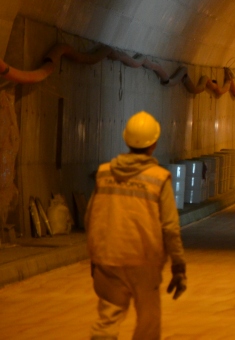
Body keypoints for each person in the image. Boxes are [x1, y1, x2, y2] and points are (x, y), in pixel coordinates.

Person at [86, 111, 187, 339]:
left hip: (109, 258)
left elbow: (91, 217)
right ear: (154, 144)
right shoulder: (159, 178)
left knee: (107, 319)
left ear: (126, 140)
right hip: (144, 261)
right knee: (148, 322)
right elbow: (170, 228)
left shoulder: (104, 173)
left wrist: (95, 257)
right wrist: (178, 266)